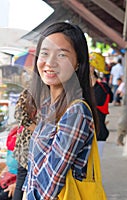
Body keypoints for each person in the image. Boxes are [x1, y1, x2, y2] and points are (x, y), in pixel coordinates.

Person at [23, 22, 99, 199]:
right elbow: (34, 172)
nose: (50, 63)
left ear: (78, 63)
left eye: (62, 55)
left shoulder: (75, 112)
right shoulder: (49, 105)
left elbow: (49, 184)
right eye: (45, 53)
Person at [12, 89, 37, 200]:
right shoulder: (30, 91)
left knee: (24, 186)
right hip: (30, 148)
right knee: (23, 185)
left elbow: (18, 114)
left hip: (30, 148)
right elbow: (19, 114)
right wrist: (37, 130)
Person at [90, 69, 113, 155]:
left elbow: (108, 99)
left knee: (95, 165)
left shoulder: (101, 88)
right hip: (88, 134)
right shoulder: (84, 89)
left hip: (98, 134)